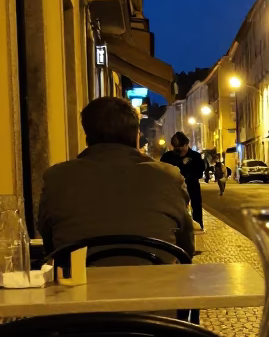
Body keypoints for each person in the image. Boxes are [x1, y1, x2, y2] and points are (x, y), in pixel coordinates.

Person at [38, 96, 196, 260]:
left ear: (87, 136)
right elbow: (186, 246)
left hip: (81, 276)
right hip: (155, 275)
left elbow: (50, 244)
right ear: (136, 135)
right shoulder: (168, 177)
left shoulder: (57, 178)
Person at [161, 132, 205, 229]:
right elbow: (163, 171)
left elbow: (200, 172)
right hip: (174, 187)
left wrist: (189, 176)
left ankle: (198, 225)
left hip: (192, 185)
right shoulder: (168, 157)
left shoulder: (195, 156)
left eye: (181, 147)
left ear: (186, 144)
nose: (179, 151)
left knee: (196, 206)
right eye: (176, 148)